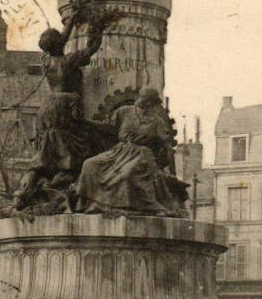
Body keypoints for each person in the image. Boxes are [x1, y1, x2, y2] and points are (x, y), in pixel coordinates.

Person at [13, 0, 115, 209]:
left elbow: (61, 38)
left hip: (48, 106)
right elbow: (92, 48)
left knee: (45, 152)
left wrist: (74, 15)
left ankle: (22, 194)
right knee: (77, 145)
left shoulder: (46, 61)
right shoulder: (69, 61)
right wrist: (98, 27)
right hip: (65, 106)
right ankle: (74, 186)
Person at [75, 87, 188, 217]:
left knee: (127, 174)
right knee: (90, 164)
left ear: (150, 102)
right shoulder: (124, 112)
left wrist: (172, 172)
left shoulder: (157, 122)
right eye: (139, 95)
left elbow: (167, 147)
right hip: (119, 152)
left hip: (141, 156)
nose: (138, 99)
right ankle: (94, 203)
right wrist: (85, 121)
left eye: (143, 97)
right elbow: (106, 126)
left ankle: (123, 207)